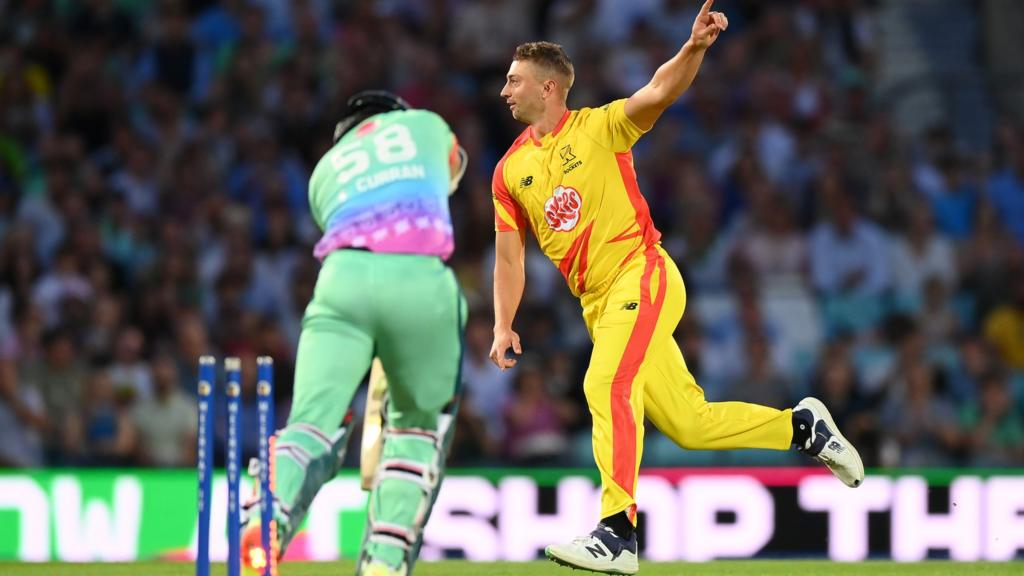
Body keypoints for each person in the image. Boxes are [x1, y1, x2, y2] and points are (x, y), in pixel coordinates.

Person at [487, 2, 863, 574]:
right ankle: (801, 426)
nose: (503, 91)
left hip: (642, 273)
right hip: (599, 304)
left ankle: (616, 532)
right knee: (689, 423)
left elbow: (658, 92)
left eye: (514, 81)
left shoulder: (599, 127)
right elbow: (509, 255)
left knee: (605, 381)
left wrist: (693, 50)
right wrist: (502, 322)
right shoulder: (509, 171)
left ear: (548, 87)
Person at [241, 90, 469, 576]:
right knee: (417, 428)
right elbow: (451, 172)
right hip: (418, 276)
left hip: (341, 280)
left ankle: (267, 518)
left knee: (310, 424)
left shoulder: (323, 173)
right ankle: (383, 561)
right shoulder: (426, 124)